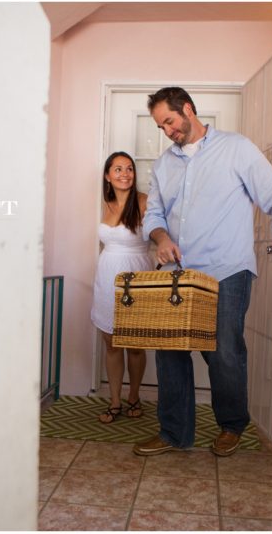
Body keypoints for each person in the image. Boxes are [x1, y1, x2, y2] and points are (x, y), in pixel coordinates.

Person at [132, 87, 272, 457]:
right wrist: (161, 237)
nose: (167, 131)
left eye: (170, 122)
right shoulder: (163, 165)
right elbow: (154, 215)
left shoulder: (237, 148)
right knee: (170, 349)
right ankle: (174, 432)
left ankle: (231, 425)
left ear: (188, 109)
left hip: (227, 269)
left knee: (224, 350)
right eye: (161, 127)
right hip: (178, 273)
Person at [91, 151, 154, 423]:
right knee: (112, 343)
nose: (125, 174)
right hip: (107, 276)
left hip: (136, 276)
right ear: (107, 176)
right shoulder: (105, 203)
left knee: (136, 344)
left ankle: (134, 396)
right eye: (118, 169)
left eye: (129, 169)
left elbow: (162, 235)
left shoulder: (145, 202)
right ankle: (115, 401)